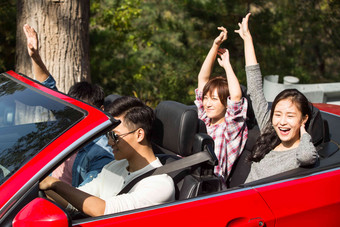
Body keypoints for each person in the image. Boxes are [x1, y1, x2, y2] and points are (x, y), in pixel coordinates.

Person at [39, 96, 175, 217]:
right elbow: (75, 200)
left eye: (114, 136)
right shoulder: (113, 167)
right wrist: (40, 183)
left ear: (139, 135)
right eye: (107, 135)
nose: (109, 142)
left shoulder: (159, 185)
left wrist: (53, 183)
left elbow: (103, 211)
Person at [23, 24, 114, 187]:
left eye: (85, 111)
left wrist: (47, 185)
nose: (78, 116)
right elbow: (48, 89)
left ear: (101, 111)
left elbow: (84, 201)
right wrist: (35, 57)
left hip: (54, 204)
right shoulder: (70, 121)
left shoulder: (101, 153)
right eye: (75, 110)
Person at [235, 13, 318, 183]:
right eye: (278, 114)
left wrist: (304, 133)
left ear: (304, 118)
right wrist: (247, 40)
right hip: (241, 198)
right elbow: (255, 90)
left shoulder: (300, 151)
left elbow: (307, 156)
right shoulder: (270, 132)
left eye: (290, 115)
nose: (282, 122)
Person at [194, 26, 248, 179]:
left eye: (214, 99)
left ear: (226, 103)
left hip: (209, 187)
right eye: (206, 98)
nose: (207, 103)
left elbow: (236, 96)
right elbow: (202, 79)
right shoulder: (204, 120)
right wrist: (215, 45)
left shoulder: (230, 129)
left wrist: (227, 65)